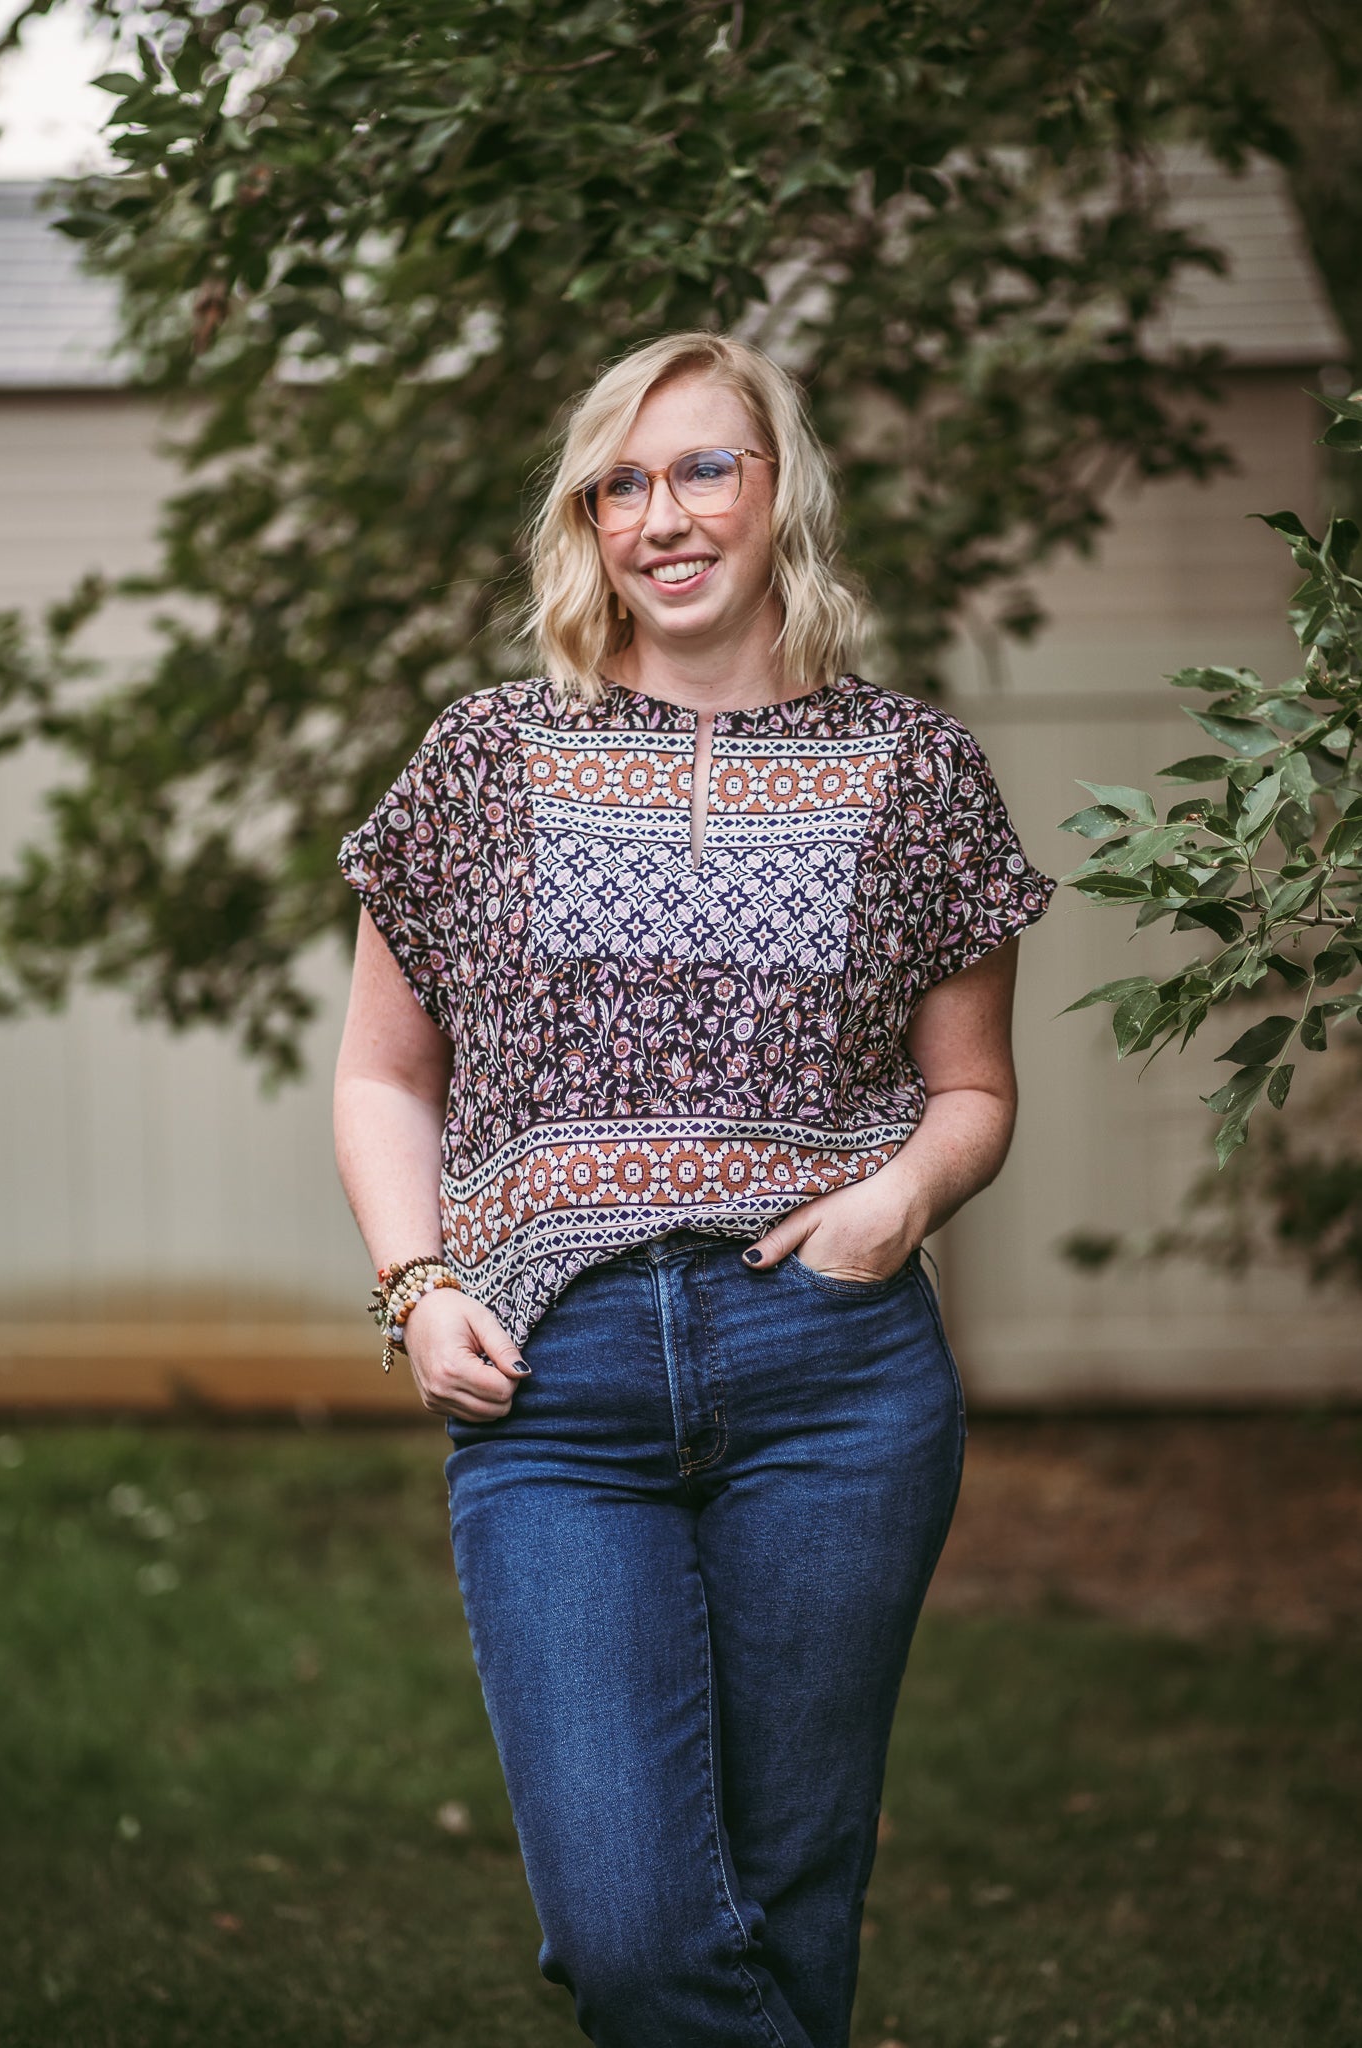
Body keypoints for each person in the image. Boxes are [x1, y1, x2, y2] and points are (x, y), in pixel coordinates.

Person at [332, 330, 1057, 2048]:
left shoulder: (913, 767)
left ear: (778, 489)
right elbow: (382, 1073)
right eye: (621, 482)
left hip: (830, 1377)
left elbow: (971, 1094)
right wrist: (414, 1283)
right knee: (635, 1929)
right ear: (587, 523)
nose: (662, 513)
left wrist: (895, 1207)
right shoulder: (483, 760)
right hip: (553, 1393)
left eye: (703, 467)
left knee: (792, 1892)